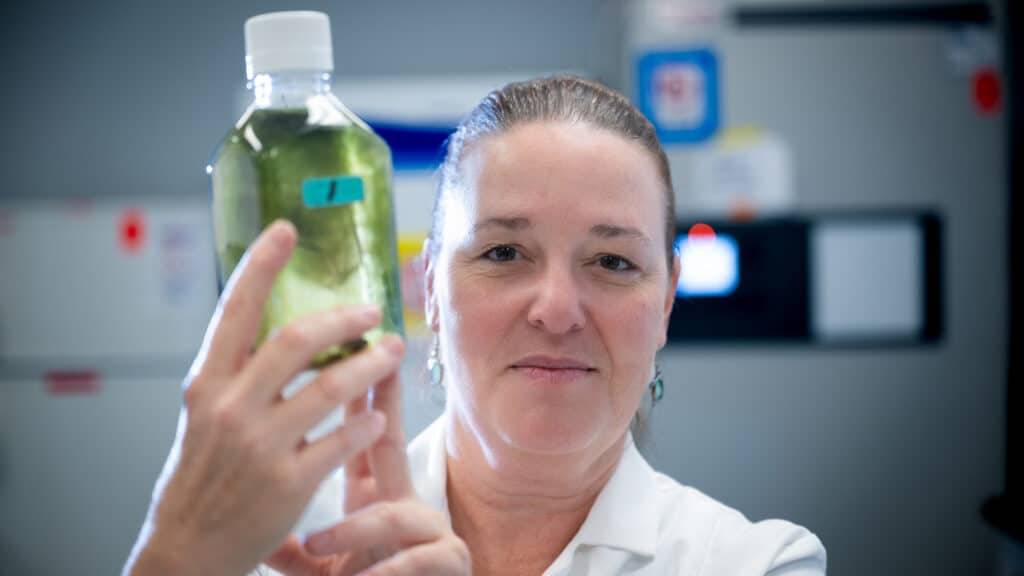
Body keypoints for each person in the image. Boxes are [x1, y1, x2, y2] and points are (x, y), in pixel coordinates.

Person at [125, 76, 827, 576]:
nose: (556, 309)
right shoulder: (296, 552)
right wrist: (175, 552)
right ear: (430, 288)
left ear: (667, 301)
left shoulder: (756, 562)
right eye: (502, 253)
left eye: (612, 261)